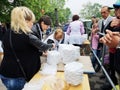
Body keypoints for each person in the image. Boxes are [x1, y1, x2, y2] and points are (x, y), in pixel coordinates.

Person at [0, 6, 55, 90]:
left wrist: (40, 53)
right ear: (24, 21)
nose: (32, 24)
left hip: (4, 73)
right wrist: (52, 45)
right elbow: (43, 46)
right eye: (31, 21)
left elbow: (21, 50)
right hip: (17, 77)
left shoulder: (8, 33)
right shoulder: (28, 36)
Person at [100, 1, 120, 89]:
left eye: (118, 9)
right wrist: (111, 27)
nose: (116, 11)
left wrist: (118, 42)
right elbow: (106, 30)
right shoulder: (115, 20)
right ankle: (112, 81)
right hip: (114, 54)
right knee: (113, 68)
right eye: (115, 9)